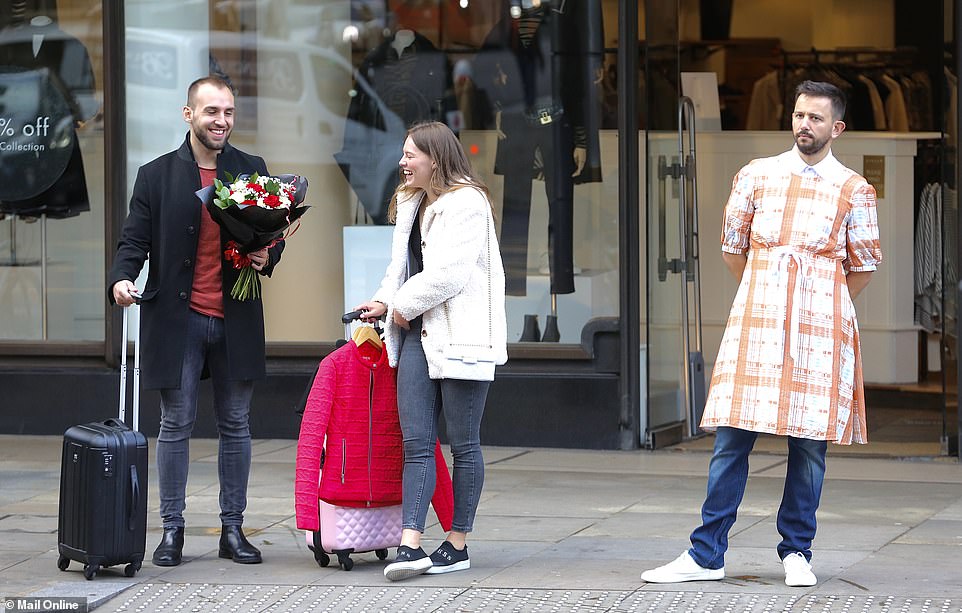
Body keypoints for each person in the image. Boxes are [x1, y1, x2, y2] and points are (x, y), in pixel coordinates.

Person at [641, 81, 882, 588]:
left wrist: (818, 303)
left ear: (836, 128)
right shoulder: (756, 174)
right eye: (798, 115)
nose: (804, 125)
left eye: (815, 118)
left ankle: (797, 551)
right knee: (732, 438)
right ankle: (706, 553)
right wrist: (769, 296)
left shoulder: (854, 188)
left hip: (821, 330)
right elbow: (733, 249)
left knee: (809, 444)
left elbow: (862, 265)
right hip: (758, 322)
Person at [108, 76, 283, 567]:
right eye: (211, 112)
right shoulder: (156, 175)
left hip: (236, 318)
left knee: (236, 424)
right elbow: (133, 243)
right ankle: (172, 531)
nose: (221, 121)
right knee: (176, 424)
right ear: (189, 115)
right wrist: (122, 280)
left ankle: (233, 530)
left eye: (228, 112)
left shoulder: (252, 170)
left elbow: (275, 237)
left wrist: (267, 255)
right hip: (176, 319)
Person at [354, 120, 507, 581]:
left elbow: (450, 274)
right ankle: (411, 544)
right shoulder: (411, 201)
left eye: (410, 154)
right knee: (416, 441)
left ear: (435, 158)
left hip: (461, 337)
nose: (402, 162)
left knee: (464, 444)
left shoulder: (468, 203)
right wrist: (384, 301)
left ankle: (457, 543)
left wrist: (399, 306)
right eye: (402, 154)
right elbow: (398, 267)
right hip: (417, 334)